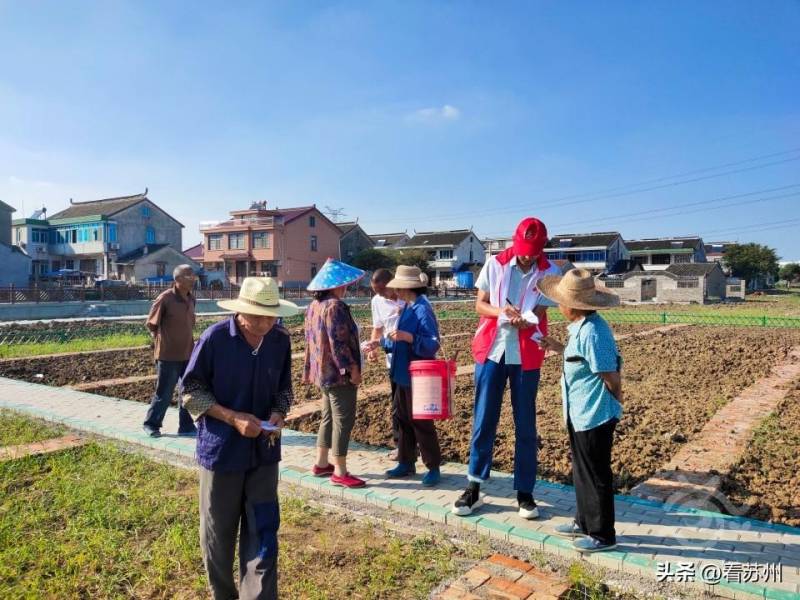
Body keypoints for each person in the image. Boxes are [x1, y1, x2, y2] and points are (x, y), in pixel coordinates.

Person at [181, 276, 299, 599]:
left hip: (264, 453)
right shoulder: (215, 339)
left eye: (271, 315)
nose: (265, 323)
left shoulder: (279, 341)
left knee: (263, 532)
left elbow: (285, 391)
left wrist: (278, 412)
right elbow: (190, 392)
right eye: (258, 315)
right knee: (218, 534)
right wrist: (233, 419)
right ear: (242, 312)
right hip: (222, 453)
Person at [452, 217, 560, 519]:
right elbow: (480, 304)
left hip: (526, 351)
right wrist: (501, 311)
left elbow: (540, 310)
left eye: (534, 250)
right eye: (524, 249)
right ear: (515, 242)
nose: (528, 256)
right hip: (492, 349)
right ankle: (474, 487)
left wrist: (529, 319)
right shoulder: (495, 264)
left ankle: (525, 493)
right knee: (484, 417)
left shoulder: (551, 273)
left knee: (525, 423)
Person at [538, 269, 622, 553]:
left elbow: (610, 376)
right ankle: (583, 522)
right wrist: (558, 347)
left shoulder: (595, 333)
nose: (557, 305)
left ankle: (602, 534)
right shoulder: (582, 329)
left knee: (596, 473)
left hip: (594, 413)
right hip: (579, 411)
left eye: (560, 301)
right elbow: (582, 359)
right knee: (582, 470)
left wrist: (614, 404)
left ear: (571, 306)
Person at [373, 265, 442, 486]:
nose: (396, 292)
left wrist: (409, 337)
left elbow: (432, 343)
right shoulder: (409, 306)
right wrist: (381, 343)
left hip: (417, 374)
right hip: (402, 373)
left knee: (421, 421)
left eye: (398, 288)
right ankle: (406, 461)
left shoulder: (422, 309)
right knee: (402, 418)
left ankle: (433, 466)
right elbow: (399, 338)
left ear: (408, 288)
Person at [304, 258, 367, 488]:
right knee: (343, 420)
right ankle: (340, 471)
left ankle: (321, 463)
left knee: (328, 416)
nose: (346, 288)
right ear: (335, 285)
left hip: (322, 372)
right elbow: (338, 342)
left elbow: (311, 341)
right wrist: (352, 369)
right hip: (339, 375)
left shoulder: (314, 306)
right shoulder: (335, 306)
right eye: (344, 284)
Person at [142, 264, 198, 437]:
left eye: (193, 275)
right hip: (167, 355)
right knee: (164, 392)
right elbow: (151, 324)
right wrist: (161, 341)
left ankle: (186, 426)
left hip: (188, 353)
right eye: (188, 275)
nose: (193, 278)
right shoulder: (165, 299)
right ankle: (151, 424)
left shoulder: (191, 298)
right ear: (178, 279)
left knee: (188, 391)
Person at [368, 268, 406, 458]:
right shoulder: (377, 302)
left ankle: (415, 446)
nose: (381, 294)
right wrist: (373, 349)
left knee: (413, 404)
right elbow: (378, 328)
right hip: (393, 360)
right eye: (377, 291)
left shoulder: (407, 297)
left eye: (383, 290)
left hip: (412, 359)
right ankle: (400, 446)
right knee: (397, 404)